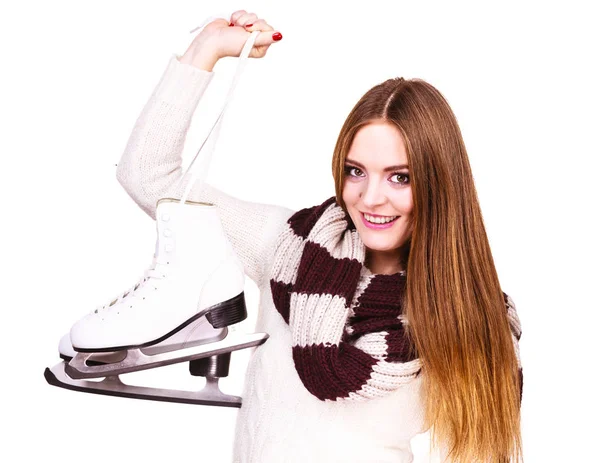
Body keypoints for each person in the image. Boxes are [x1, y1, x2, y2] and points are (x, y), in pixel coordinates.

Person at [116, 10, 523, 463]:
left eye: (399, 178)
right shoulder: (288, 247)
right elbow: (147, 177)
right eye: (356, 171)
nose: (371, 198)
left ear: (439, 182)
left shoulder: (470, 316)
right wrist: (206, 49)